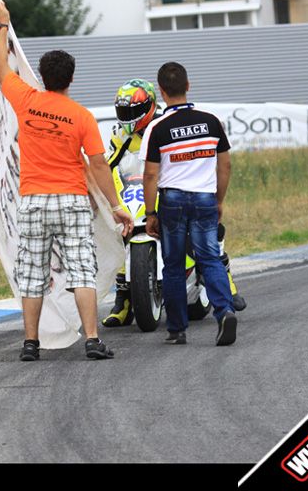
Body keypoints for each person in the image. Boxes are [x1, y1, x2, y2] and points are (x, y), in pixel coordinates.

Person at [0, 0, 133, 362]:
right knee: (82, 271)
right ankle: (91, 339)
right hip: (71, 199)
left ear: (40, 75)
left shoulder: (25, 98)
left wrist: (2, 26)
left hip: (33, 201)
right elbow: (99, 165)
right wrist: (115, 206)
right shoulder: (81, 116)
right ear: (71, 78)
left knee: (32, 274)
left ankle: (30, 343)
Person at [102, 79, 246, 328]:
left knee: (203, 235)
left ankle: (227, 283)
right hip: (135, 188)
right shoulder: (119, 134)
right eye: (123, 111)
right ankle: (123, 301)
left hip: (170, 187)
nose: (128, 117)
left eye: (133, 111)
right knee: (115, 233)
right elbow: (111, 163)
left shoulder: (162, 124)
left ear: (150, 104)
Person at [141, 61, 238, 346]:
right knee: (209, 258)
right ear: (188, 86)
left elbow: (149, 174)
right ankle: (224, 312)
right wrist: (218, 199)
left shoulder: (157, 127)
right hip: (205, 198)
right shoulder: (211, 121)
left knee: (172, 266)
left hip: (171, 200)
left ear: (161, 91)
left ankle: (177, 330)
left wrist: (150, 213)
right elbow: (226, 165)